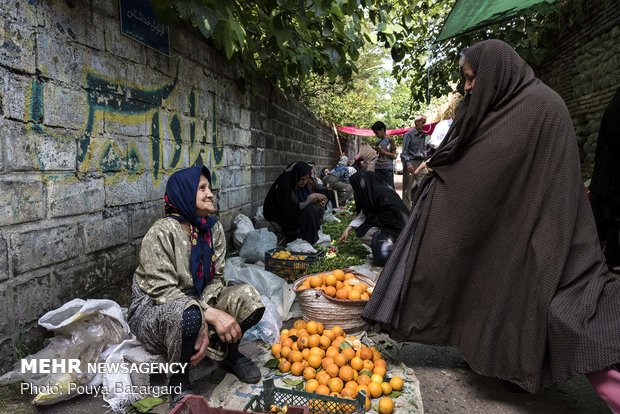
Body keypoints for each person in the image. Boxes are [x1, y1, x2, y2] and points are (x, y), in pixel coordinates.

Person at [362, 39, 620, 412]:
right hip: (502, 223)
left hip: (543, 226)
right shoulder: (493, 105)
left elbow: (518, 174)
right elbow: (468, 153)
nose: (467, 87)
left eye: (471, 79)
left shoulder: (544, 108)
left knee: (563, 310)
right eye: (465, 79)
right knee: (480, 281)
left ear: (495, 73)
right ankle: (486, 354)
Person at [127, 166, 265, 404]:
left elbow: (216, 278)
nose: (210, 193)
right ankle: (178, 382)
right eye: (202, 188)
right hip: (155, 309)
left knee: (248, 298)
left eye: (209, 188)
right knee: (190, 315)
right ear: (183, 194)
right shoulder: (161, 232)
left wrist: (206, 308)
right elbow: (161, 289)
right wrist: (205, 314)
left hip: (199, 299)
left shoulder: (213, 229)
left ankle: (230, 354)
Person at [338, 172, 409, 265]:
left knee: (364, 231)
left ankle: (392, 251)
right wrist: (348, 229)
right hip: (394, 227)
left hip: (399, 228)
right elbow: (364, 213)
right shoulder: (372, 192)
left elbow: (389, 214)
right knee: (363, 228)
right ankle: (391, 249)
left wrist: (373, 220)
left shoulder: (382, 195)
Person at [590, 86, 620, 272]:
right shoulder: (617, 109)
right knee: (615, 214)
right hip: (612, 173)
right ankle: (614, 258)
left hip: (612, 171)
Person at [263, 161, 327, 244]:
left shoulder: (303, 185)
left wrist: (315, 202)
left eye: (307, 179)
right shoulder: (285, 186)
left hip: (293, 210)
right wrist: (310, 198)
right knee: (309, 210)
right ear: (295, 176)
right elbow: (292, 208)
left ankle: (310, 237)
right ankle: (307, 239)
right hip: (280, 214)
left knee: (313, 209)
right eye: (301, 179)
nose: (304, 182)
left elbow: (303, 201)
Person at [400, 115, 429, 210]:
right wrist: (408, 164)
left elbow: (424, 149)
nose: (424, 124)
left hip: (421, 163)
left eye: (425, 122)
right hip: (411, 162)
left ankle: (422, 208)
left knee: (425, 184)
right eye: (423, 122)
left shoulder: (424, 135)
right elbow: (404, 152)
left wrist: (426, 161)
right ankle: (406, 212)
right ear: (417, 123)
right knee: (407, 189)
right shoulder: (409, 134)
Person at [371, 121, 397, 189]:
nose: (376, 135)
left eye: (377, 133)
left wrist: (383, 152)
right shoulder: (378, 142)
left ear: (382, 130)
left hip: (387, 169)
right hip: (378, 168)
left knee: (390, 189)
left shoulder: (390, 140)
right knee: (380, 189)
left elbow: (394, 156)